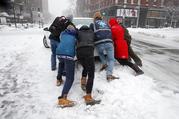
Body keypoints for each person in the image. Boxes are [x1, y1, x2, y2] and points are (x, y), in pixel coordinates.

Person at [90, 12, 119, 81]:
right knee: (111, 59)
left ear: (94, 18)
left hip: (99, 43)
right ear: (101, 17)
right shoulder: (106, 23)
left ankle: (104, 63)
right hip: (109, 42)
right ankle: (109, 74)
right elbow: (110, 32)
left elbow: (90, 34)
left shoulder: (93, 24)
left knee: (100, 53)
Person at [77, 25, 101, 105]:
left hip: (79, 53)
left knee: (86, 67)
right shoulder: (91, 32)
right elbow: (97, 38)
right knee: (91, 74)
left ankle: (83, 81)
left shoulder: (78, 32)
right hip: (88, 51)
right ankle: (88, 97)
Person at [56, 25, 77, 107]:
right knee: (70, 77)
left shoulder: (63, 34)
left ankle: (59, 79)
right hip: (68, 55)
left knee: (61, 63)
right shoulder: (75, 35)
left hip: (59, 53)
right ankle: (62, 98)